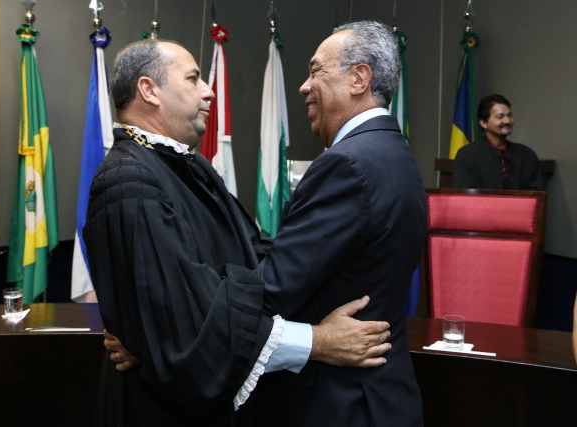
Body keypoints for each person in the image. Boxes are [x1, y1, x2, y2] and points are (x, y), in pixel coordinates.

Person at [109, 21, 427, 427]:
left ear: (358, 79)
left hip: (341, 402)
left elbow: (272, 289)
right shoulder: (394, 154)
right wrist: (163, 334)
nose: (304, 86)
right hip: (379, 395)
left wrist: (171, 340)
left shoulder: (347, 163)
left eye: (316, 70)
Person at [452, 94, 543, 190]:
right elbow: (463, 194)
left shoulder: (526, 154)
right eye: (500, 117)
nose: (507, 121)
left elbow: (536, 193)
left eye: (509, 116)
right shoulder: (467, 155)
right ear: (483, 123)